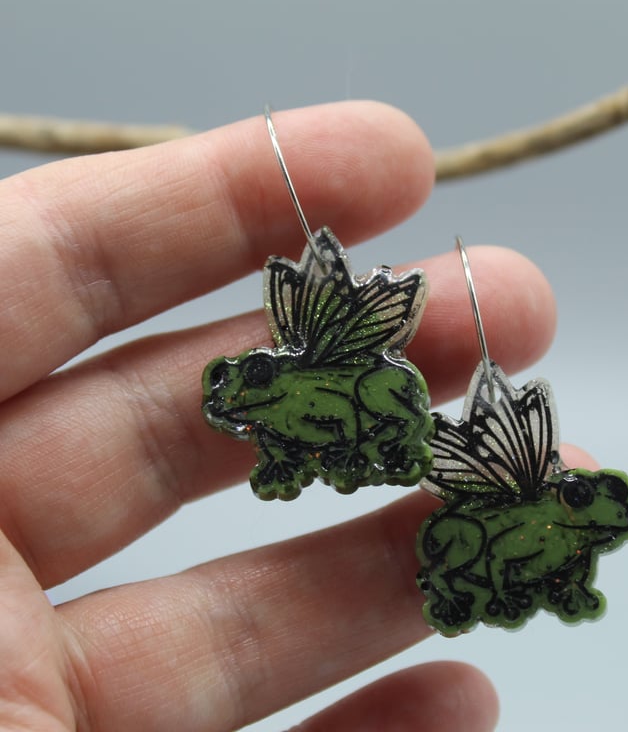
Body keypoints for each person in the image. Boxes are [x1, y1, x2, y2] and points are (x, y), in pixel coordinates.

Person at [0, 101, 595, 731]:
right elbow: (298, 436)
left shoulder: (321, 389)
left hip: (381, 403)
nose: (240, 400)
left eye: (251, 381)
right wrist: (291, 456)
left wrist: (367, 448)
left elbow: (341, 422)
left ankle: (411, 467)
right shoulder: (278, 406)